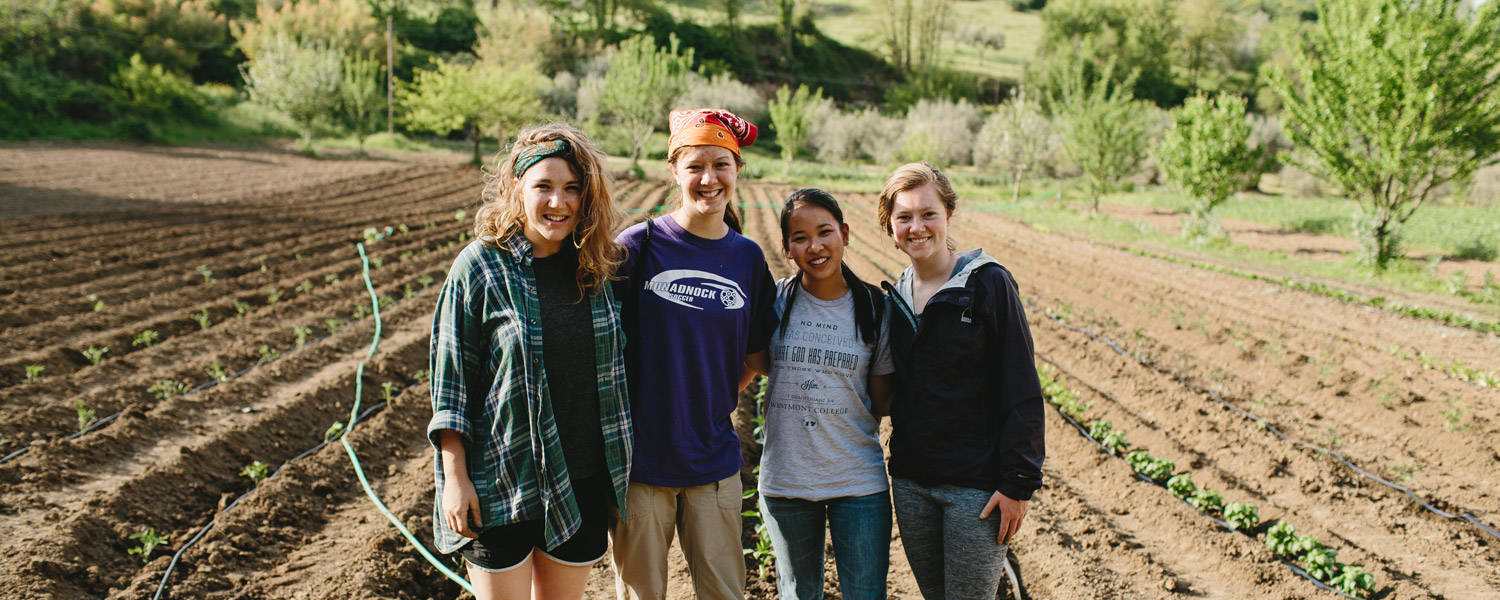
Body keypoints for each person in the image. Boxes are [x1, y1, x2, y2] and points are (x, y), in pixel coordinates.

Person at [426, 122, 632, 600]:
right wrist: (454, 479)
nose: (558, 203)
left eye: (571, 189)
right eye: (543, 186)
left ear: (587, 198)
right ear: (516, 187)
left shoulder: (599, 270)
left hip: (580, 478)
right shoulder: (479, 267)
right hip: (502, 477)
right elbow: (451, 383)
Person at [611, 108, 777, 600]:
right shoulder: (638, 248)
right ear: (674, 172)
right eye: (695, 166)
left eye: (721, 165)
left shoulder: (747, 257)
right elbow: (599, 346)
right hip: (641, 465)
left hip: (713, 462)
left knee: (724, 593)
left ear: (736, 171)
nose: (709, 179)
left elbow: (757, 355)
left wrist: (714, 393)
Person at [875, 162, 1045, 600]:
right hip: (912, 484)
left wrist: (1018, 484)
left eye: (928, 213)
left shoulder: (988, 284)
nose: (917, 227)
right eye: (904, 217)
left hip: (977, 488)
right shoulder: (896, 297)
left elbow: (1021, 387)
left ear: (948, 214)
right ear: (890, 225)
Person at [744, 188, 895, 600]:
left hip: (858, 482)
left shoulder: (876, 309)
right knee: (798, 593)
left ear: (844, 234)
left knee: (865, 593)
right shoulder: (775, 302)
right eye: (800, 237)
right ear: (787, 248)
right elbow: (759, 363)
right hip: (786, 480)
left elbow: (882, 402)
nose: (815, 246)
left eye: (825, 231)